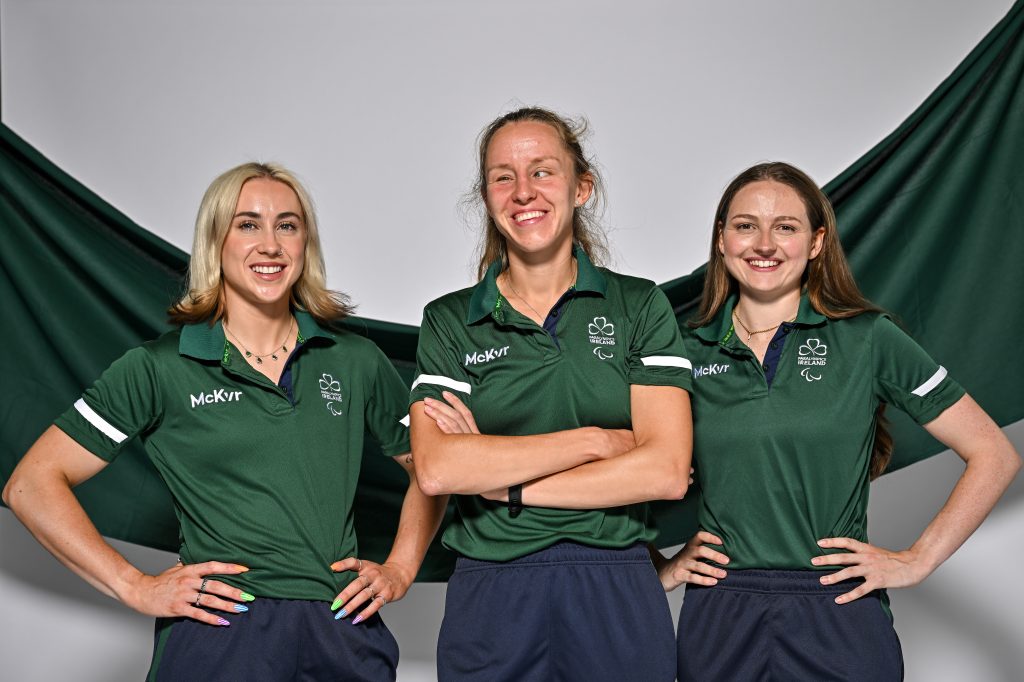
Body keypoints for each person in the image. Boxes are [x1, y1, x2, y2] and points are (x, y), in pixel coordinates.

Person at [3, 162, 447, 681]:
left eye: (287, 225)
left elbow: (434, 468)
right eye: (247, 224)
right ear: (215, 241)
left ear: (306, 243)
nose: (270, 244)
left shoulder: (355, 360)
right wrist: (133, 584)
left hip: (341, 627)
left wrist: (400, 567)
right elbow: (31, 484)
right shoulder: (159, 367)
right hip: (222, 629)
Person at [653, 161, 1021, 681]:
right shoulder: (681, 352)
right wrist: (658, 567)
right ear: (721, 238)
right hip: (721, 611)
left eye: (786, 226)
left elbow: (995, 454)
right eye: (745, 225)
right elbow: (612, 459)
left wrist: (917, 559)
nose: (764, 243)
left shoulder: (868, 338)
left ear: (817, 241)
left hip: (837, 606)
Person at [408, 107, 693, 682]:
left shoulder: (639, 306)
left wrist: (499, 480)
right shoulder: (448, 321)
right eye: (502, 177)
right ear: (486, 197)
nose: (522, 192)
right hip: (491, 588)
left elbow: (664, 471)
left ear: (581, 186)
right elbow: (437, 470)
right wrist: (593, 441)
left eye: (542, 171)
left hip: (614, 579)